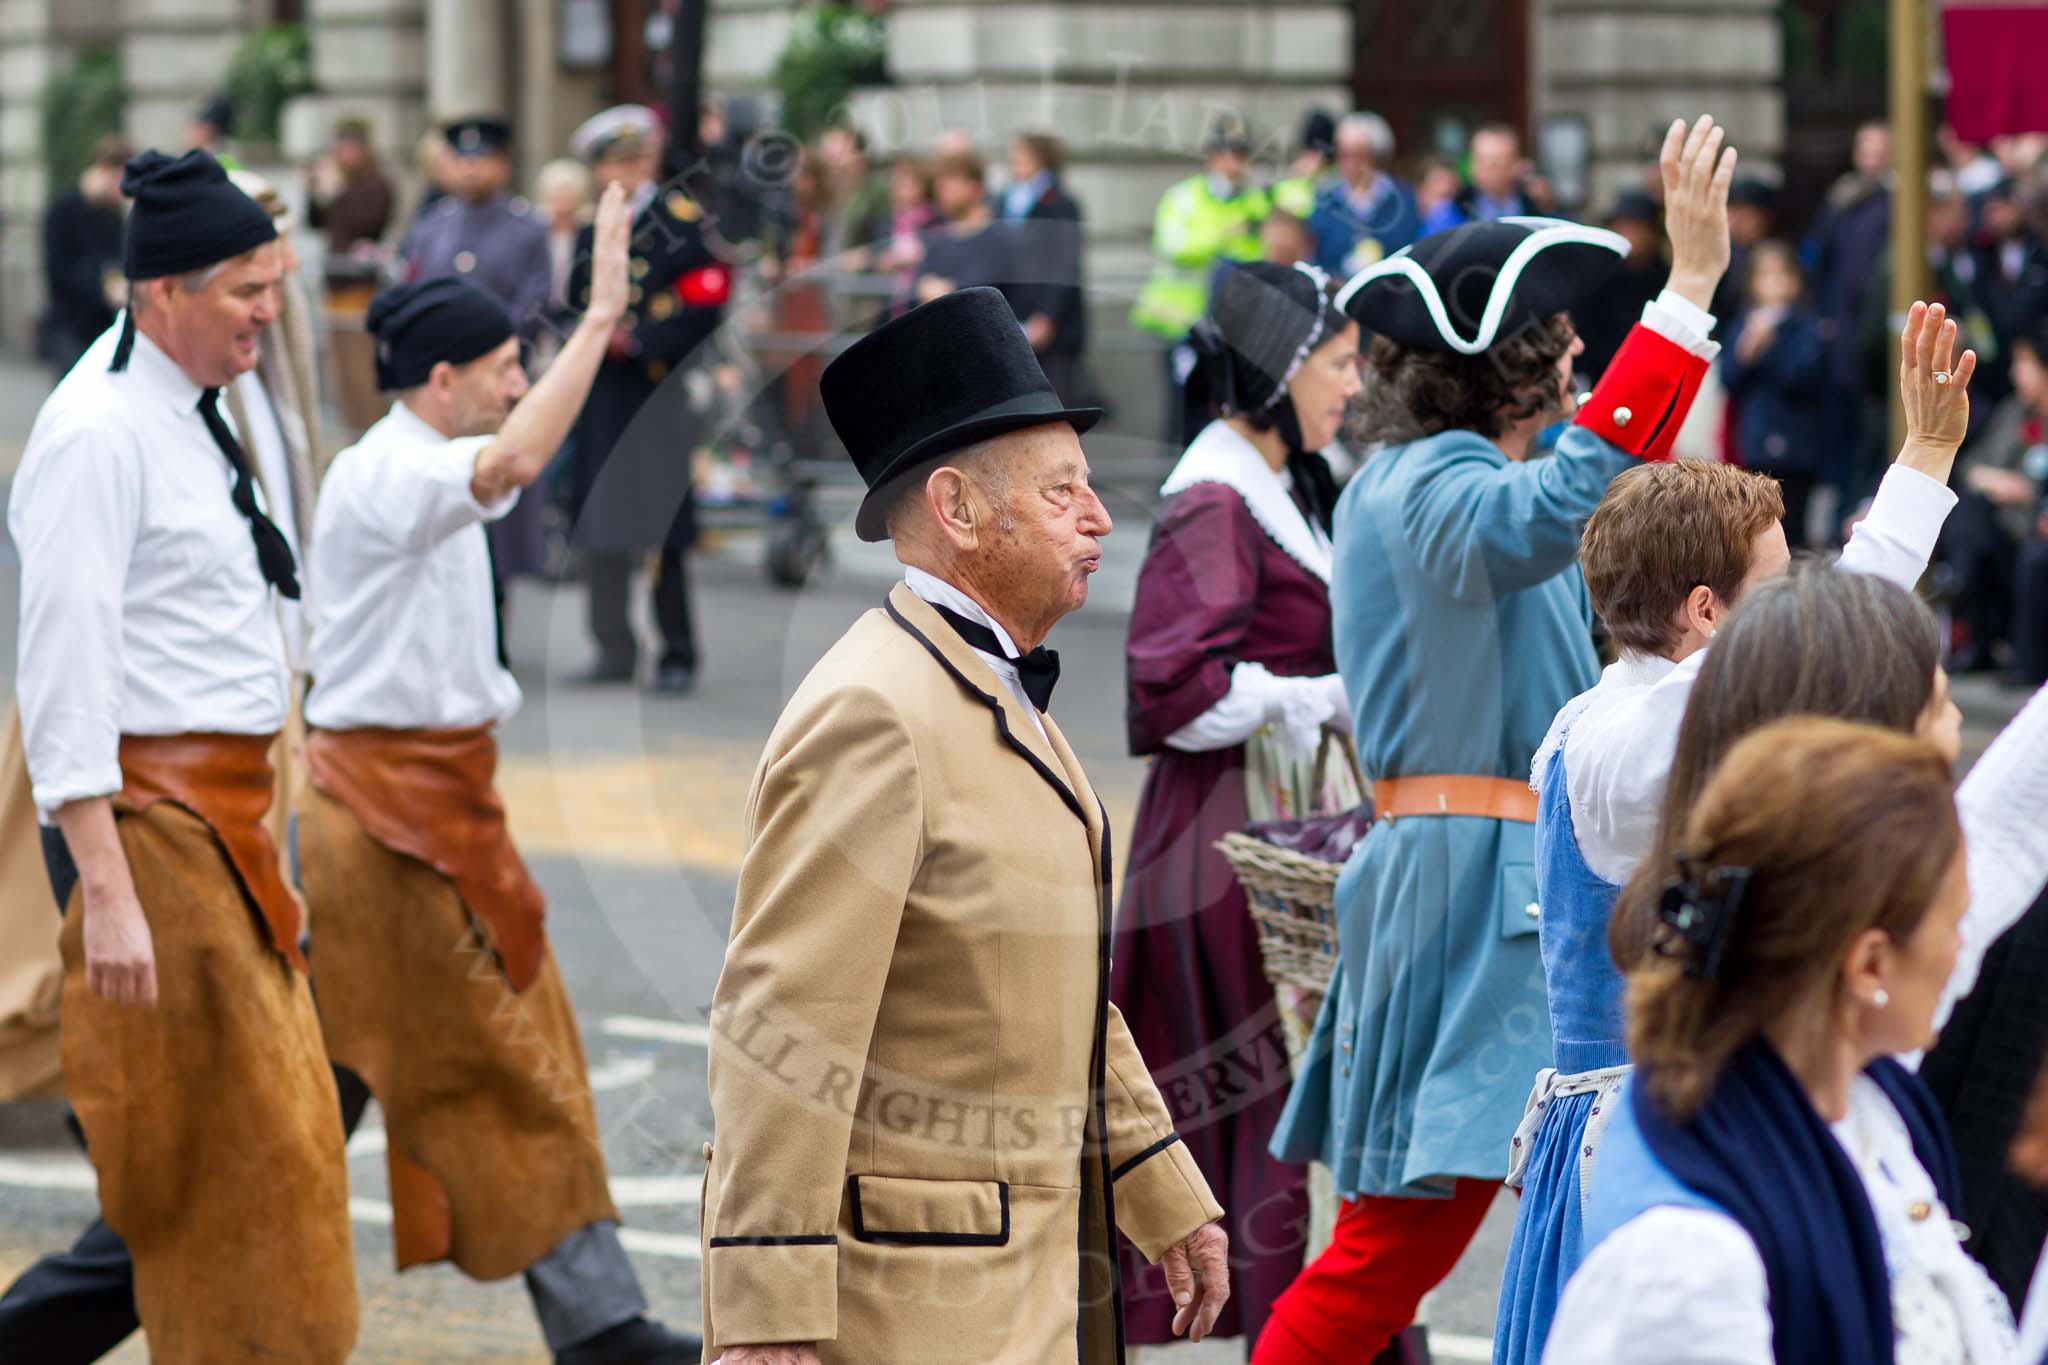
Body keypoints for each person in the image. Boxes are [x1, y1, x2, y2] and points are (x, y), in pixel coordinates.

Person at [1257, 115, 1738, 1365]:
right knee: (1389, 1254)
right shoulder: (1429, 484)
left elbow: (1602, 490)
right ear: (1505, 367)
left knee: (1565, 1222)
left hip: (1498, 886)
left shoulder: (1436, 481)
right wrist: (1681, 292)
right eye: (1564, 348)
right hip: (1471, 892)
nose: (1579, 364)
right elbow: (1577, 491)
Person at [700, 287, 1229, 1362]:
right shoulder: (873, 712)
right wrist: (764, 1315)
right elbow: (780, 1029)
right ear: (957, 509)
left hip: (1012, 1286)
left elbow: (1053, 981)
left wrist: (1158, 1184)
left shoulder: (979, 684)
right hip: (918, 1304)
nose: (1097, 519)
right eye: (1061, 492)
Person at [1492, 300, 1975, 1365]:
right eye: (1775, 587)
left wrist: (1922, 461)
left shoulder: (1630, 722)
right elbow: (1819, 641)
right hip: (1640, 1146)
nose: (1796, 607)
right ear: (1706, 615)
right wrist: (1919, 471)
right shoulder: (1619, 738)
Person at [298, 187, 700, 1365]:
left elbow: (511, 449)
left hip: (431, 816)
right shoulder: (386, 475)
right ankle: (604, 1331)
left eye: (520, 364)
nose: (514, 385)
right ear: (438, 384)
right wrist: (597, 321)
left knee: (339, 1089)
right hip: (387, 826)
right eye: (497, 368)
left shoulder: (408, 462)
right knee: (507, 1071)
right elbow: (519, 457)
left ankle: (597, 1326)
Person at [0, 148, 355, 1361]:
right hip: (150, 836)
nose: (272, 310)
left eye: (273, 283)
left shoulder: (194, 403)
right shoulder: (96, 433)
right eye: (249, 289)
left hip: (227, 825)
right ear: (162, 293)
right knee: (219, 1167)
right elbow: (62, 678)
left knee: (252, 1155)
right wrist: (105, 892)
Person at [1110, 261, 1359, 1349]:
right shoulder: (1216, 493)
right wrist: (1325, 693)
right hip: (1235, 832)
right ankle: (1293, 1330)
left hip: (1270, 814)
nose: (1352, 385)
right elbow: (1171, 687)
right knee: (1271, 1105)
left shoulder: (1271, 475)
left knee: (1285, 1106)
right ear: (1280, 368)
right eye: (1338, 364)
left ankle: (1308, 1327)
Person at [563, 104, 729, 692]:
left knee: (663, 527)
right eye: (616, 160)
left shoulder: (682, 220)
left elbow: (708, 298)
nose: (628, 170)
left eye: (636, 158)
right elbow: (571, 304)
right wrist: (588, 340)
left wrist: (639, 344)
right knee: (601, 519)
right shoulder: (592, 229)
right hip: (603, 393)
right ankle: (612, 648)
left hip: (655, 388)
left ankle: (676, 651)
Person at [1132, 112, 1272, 451]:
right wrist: (1224, 234)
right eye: (1225, 153)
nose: (1232, 163)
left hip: (1230, 328)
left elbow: (1265, 252)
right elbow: (1174, 246)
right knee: (1183, 409)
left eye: (1239, 155)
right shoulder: (1184, 197)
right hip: (1181, 324)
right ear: (1211, 156)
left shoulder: (1255, 201)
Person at [401, 116, 551, 341]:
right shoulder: (430, 225)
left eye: (481, 160)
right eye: (462, 160)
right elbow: (413, 287)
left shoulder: (527, 227)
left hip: (503, 354)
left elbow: (535, 300)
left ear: (503, 166)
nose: (470, 170)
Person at [1719, 240, 1830, 544]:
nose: (1774, 283)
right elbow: (1729, 380)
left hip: (1797, 445)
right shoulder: (1742, 324)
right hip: (1754, 440)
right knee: (1755, 523)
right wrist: (1747, 352)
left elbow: (1801, 377)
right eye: (1765, 275)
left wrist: (1769, 348)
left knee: (1792, 527)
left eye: (1782, 274)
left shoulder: (1808, 327)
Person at [1001, 132, 1089, 406]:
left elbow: (1064, 264)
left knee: (1055, 403)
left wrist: (1047, 315)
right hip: (1016, 313)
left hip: (1054, 324)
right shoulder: (1006, 200)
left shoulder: (1061, 204)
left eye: (1022, 155)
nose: (1014, 161)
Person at [38, 136, 129, 376]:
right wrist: (104, 288)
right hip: (69, 325)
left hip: (101, 325)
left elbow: (115, 260)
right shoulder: (63, 209)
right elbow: (59, 269)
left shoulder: (112, 213)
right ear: (106, 169)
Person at [1307, 112, 1420, 278]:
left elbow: (1412, 248)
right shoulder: (1325, 199)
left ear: (1377, 156)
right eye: (1343, 154)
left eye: (1359, 155)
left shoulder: (1403, 198)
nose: (1350, 163)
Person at [1573, 191, 1668, 381]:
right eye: (1623, 226)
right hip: (1604, 377)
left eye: (1637, 227)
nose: (1630, 234)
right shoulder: (1598, 278)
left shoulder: (1666, 280)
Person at [913, 150, 1020, 309]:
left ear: (975, 188)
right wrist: (923, 286)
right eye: (940, 185)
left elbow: (986, 284)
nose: (942, 192)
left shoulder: (1000, 237)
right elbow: (921, 279)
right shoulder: (939, 237)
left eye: (951, 183)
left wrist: (947, 290)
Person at [1419, 122, 1543, 233]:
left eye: (1499, 162)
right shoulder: (1451, 211)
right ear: (1472, 165)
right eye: (1484, 161)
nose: (1492, 170)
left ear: (1516, 164)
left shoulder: (1537, 209)